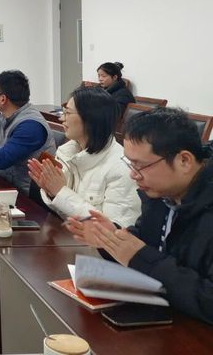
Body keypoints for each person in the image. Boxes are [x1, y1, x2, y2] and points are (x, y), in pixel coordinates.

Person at [65, 108, 213, 324]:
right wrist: (112, 238)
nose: (133, 175)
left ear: (184, 161)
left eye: (141, 165)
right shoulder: (159, 194)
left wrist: (141, 258)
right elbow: (147, 244)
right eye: (130, 164)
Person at [27, 87, 140, 226]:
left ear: (91, 118)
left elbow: (114, 230)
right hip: (68, 233)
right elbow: (62, 212)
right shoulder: (66, 152)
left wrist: (60, 192)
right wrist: (51, 192)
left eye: (68, 113)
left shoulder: (122, 168)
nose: (62, 118)